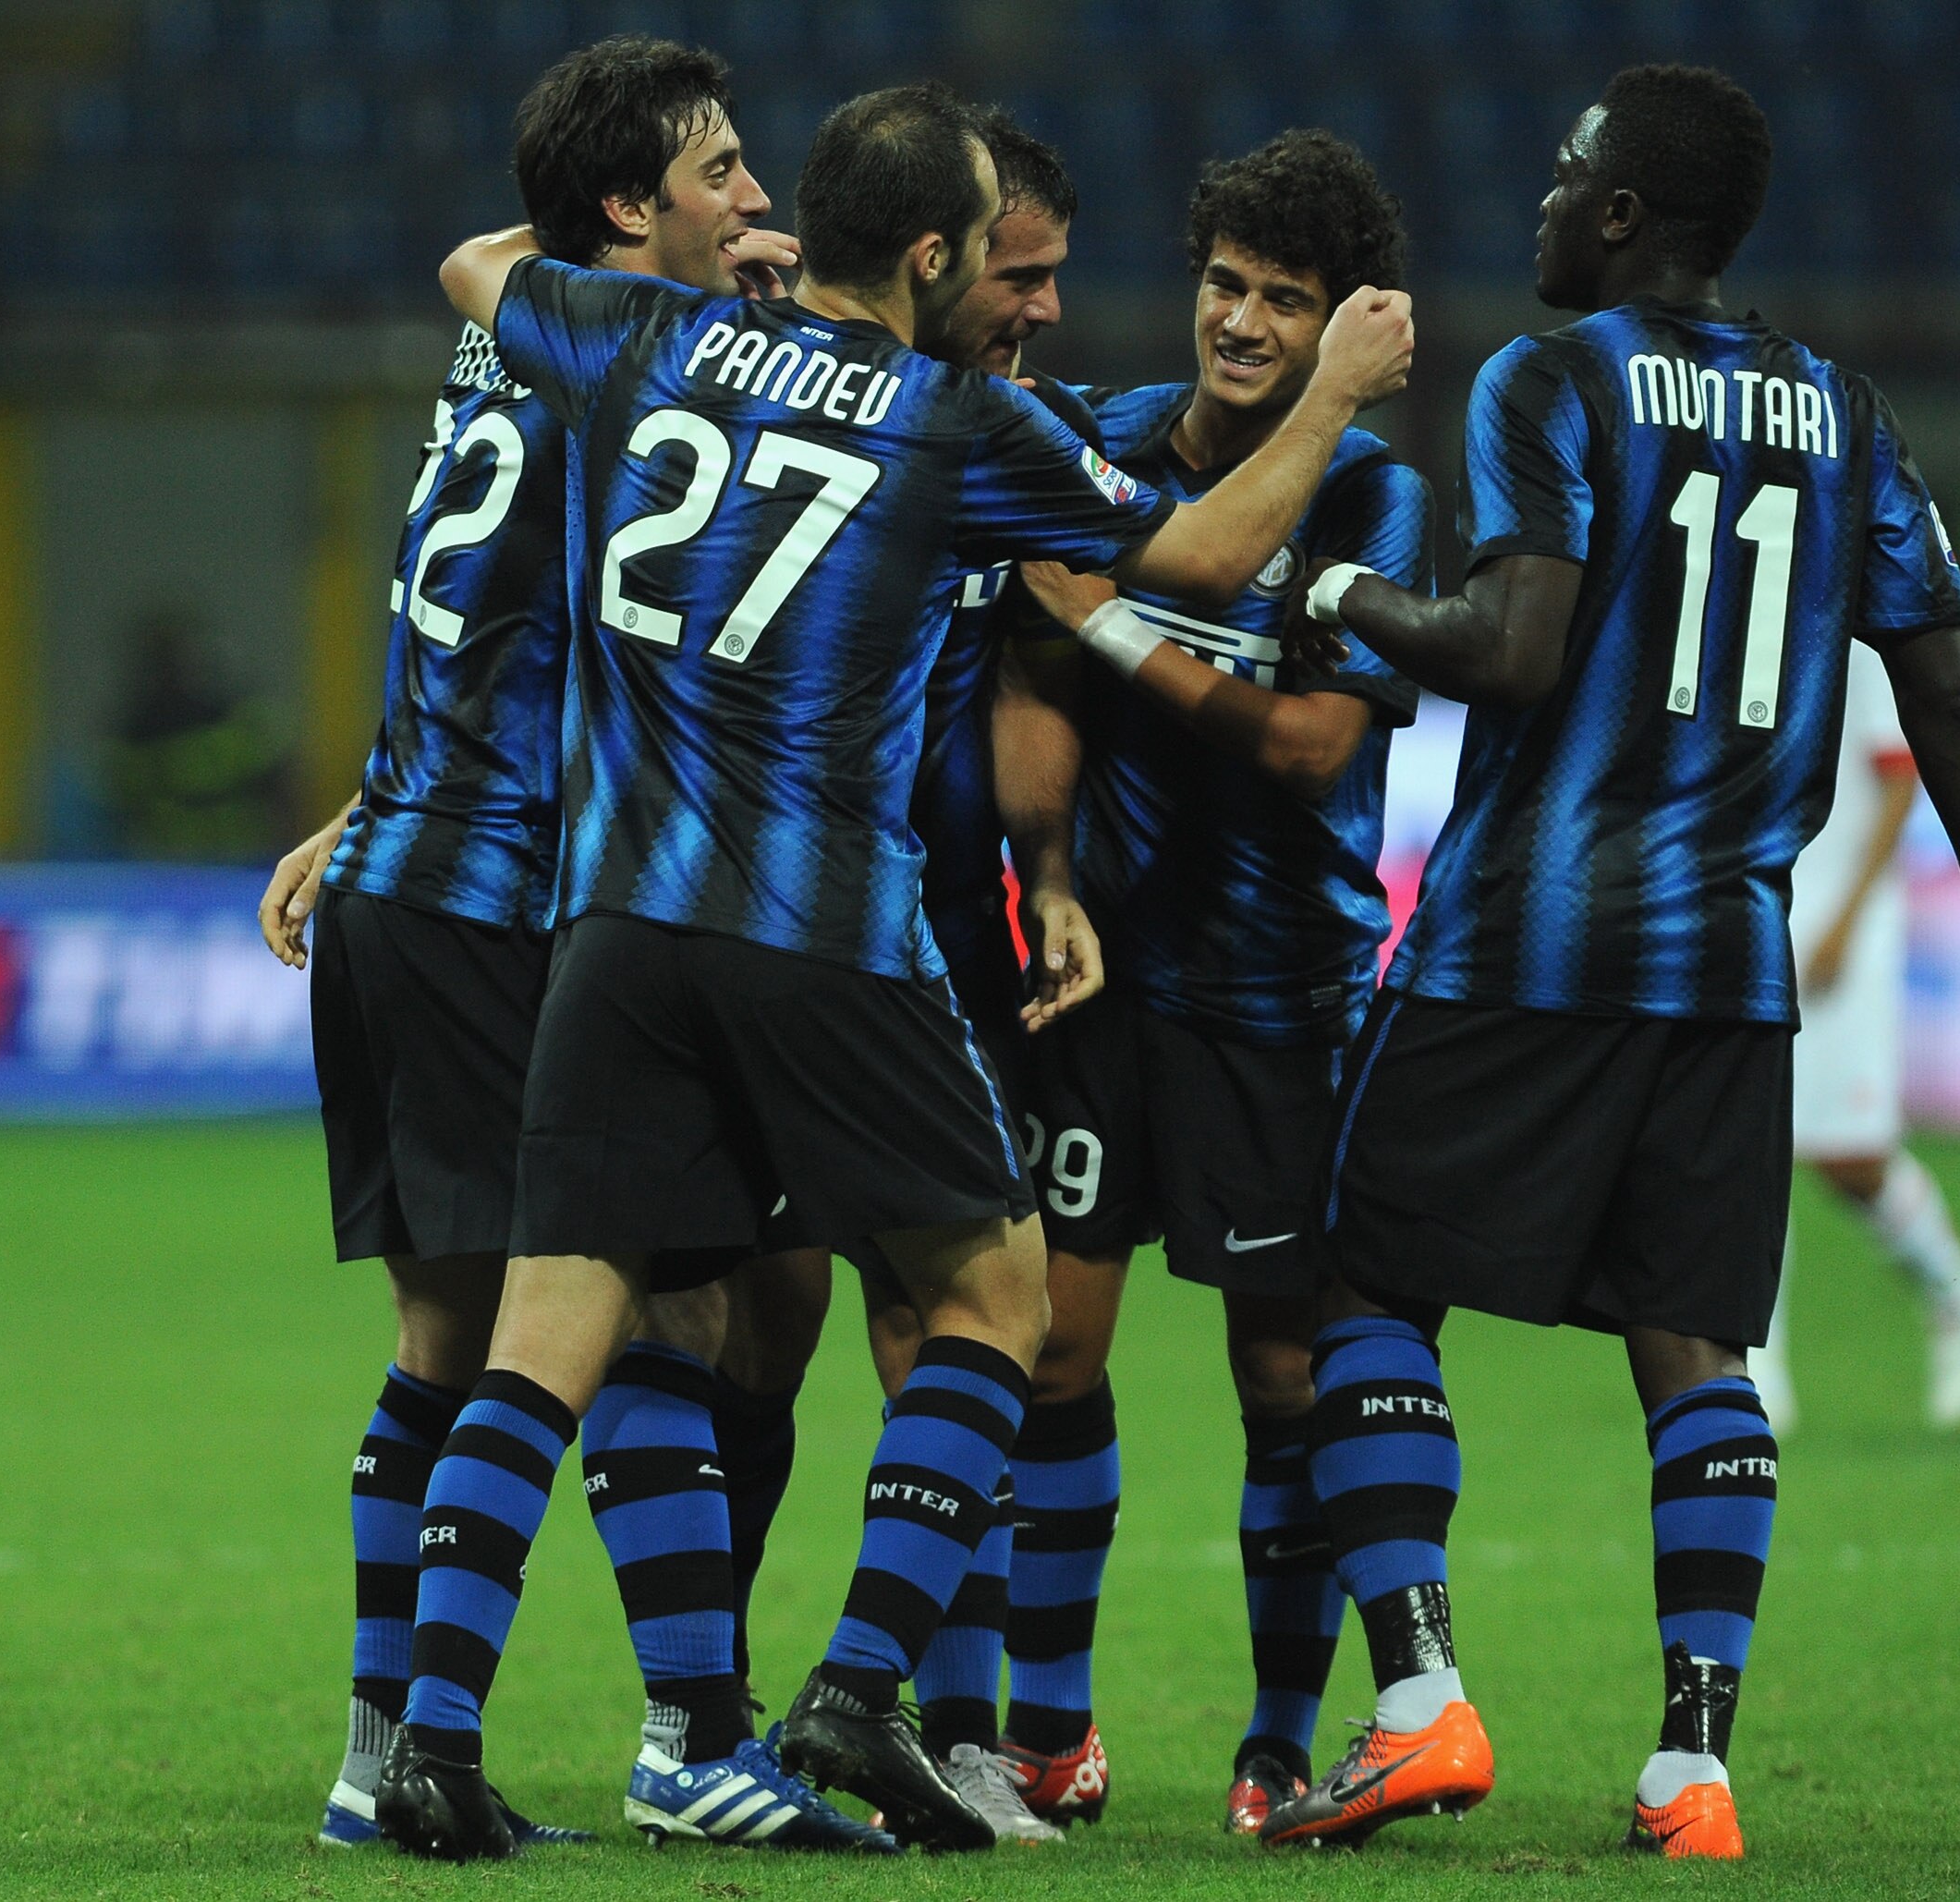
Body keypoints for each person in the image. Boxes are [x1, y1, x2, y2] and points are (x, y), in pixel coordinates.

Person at [388, 81, 1413, 1859]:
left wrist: (731, 274)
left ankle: (431, 1742)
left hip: (613, 928)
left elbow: (477, 261)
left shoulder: (653, 332)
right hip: (818, 934)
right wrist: (1333, 395)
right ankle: (866, 1686)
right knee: (994, 1297)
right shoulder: (957, 423)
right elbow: (1199, 554)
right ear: (935, 256)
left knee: (544, 1337)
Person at [1274, 65, 1960, 1860]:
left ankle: (1416, 1706)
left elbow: (1515, 646)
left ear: (1626, 213)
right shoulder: (1841, 415)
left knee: (1368, 1299)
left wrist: (1336, 603)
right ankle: (1692, 1767)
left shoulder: (1548, 381)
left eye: (1568, 180)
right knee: (1697, 1347)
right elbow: (1940, 682)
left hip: (1525, 941)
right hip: (1728, 968)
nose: (1547, 205)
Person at [255, 37, 880, 1855]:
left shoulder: (509, 336)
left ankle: (386, 1753)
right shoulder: (647, 371)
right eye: (721, 175)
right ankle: (694, 1739)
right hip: (511, 898)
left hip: (405, 878)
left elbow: (483, 258)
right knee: (663, 1297)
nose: (755, 202)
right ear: (631, 207)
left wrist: (367, 799)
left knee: (451, 1340)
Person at [929, 128, 1434, 1841]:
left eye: (1284, 303)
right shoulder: (1100, 437)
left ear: (1333, 326)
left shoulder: (1374, 492)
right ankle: (1056, 1733)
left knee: (1280, 1378)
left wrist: (1116, 625)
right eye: (1224, 282)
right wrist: (1050, 875)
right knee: (1054, 1350)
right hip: (1113, 981)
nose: (1239, 321)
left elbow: (1306, 748)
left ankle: (1282, 1740)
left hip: (1284, 984)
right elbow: (1033, 680)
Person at [845, 104, 1093, 1846]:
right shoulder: (844, 399)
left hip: (936, 931)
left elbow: (1019, 664)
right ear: (935, 255)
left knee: (931, 1324)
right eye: (1022, 273)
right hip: (809, 932)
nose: (1048, 309)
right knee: (757, 1323)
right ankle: (727, 1714)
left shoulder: (1008, 437)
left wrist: (1050, 869)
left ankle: (953, 1722)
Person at [1747, 640, 1960, 1434]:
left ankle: (1955, 1291)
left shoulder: (1850, 638)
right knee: (1749, 1146)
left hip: (1842, 922)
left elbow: (1900, 775)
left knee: (1848, 1156)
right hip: (1756, 912)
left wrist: (1849, 918)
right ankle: (1756, 1371)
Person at [106, 607, 288, 860]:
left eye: (178, 653)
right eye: (161, 657)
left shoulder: (235, 717)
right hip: (164, 869)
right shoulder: (133, 732)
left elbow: (279, 792)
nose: (172, 666)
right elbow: (119, 812)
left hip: (242, 862)